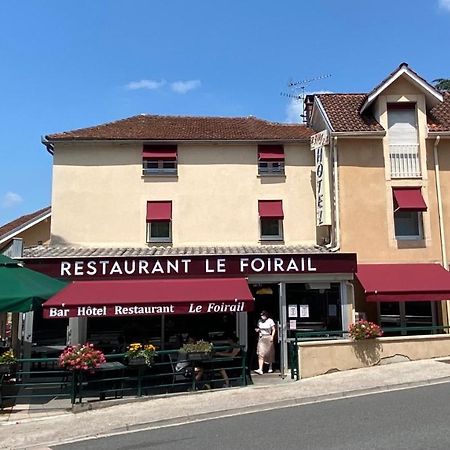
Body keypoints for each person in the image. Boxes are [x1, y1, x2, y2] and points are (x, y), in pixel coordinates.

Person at [254, 310, 275, 375]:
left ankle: (270, 366)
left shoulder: (270, 320)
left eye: (263, 315)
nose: (262, 317)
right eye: (261, 315)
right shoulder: (259, 321)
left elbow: (273, 329)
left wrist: (272, 336)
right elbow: (259, 328)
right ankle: (260, 369)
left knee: (269, 352)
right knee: (260, 353)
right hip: (261, 337)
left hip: (268, 337)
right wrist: (258, 330)